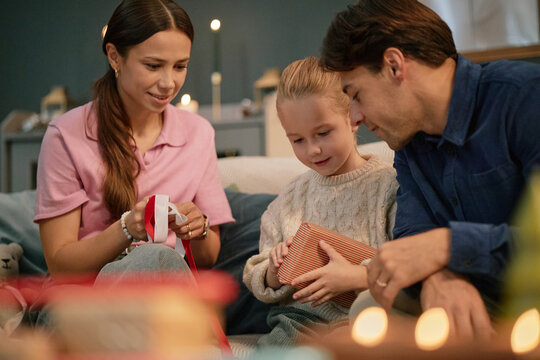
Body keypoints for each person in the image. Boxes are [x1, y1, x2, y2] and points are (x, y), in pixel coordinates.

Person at [320, 0, 540, 341]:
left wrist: (448, 246)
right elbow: (412, 234)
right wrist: (439, 278)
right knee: (369, 308)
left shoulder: (524, 98)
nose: (354, 118)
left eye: (356, 94)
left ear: (394, 65)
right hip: (478, 299)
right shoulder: (408, 142)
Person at [34, 0, 233, 283]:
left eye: (180, 66)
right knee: (152, 259)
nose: (168, 83)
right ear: (115, 57)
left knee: (160, 264)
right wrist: (126, 228)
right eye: (153, 65)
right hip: (82, 303)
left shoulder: (198, 133)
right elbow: (61, 268)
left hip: (164, 298)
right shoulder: (65, 135)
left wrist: (198, 229)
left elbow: (208, 256)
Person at [243, 56, 398, 346]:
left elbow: (404, 266)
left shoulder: (387, 186)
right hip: (297, 322)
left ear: (352, 116)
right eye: (297, 140)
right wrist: (274, 272)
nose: (313, 150)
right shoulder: (288, 199)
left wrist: (355, 276)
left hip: (363, 317)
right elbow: (257, 272)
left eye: (323, 133)